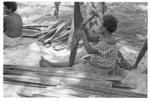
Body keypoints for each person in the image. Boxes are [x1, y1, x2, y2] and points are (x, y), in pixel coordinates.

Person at [40, 14, 121, 76]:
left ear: (105, 28)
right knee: (76, 62)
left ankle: (51, 66)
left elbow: (89, 50)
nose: (99, 26)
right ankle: (51, 64)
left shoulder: (108, 41)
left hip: (101, 68)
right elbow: (90, 38)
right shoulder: (104, 36)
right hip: (96, 62)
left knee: (74, 68)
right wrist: (85, 31)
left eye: (101, 24)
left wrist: (82, 36)